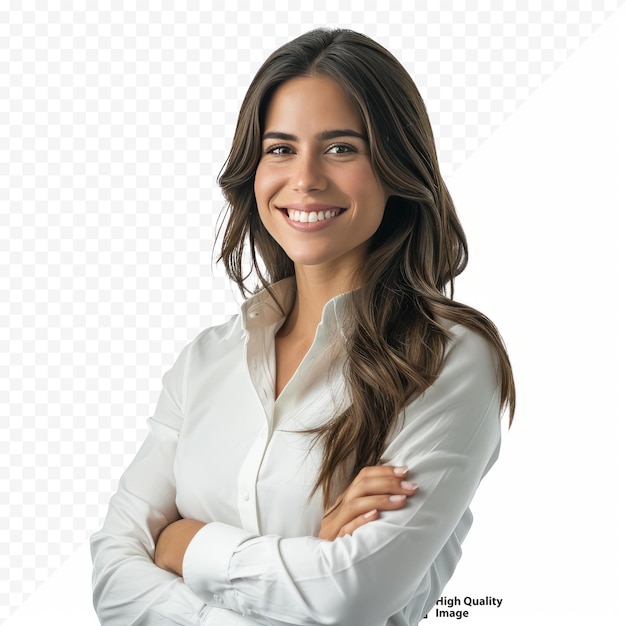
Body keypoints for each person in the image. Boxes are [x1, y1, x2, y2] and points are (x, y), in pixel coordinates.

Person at [91, 28, 515, 625]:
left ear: (396, 166)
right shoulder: (206, 360)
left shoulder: (448, 359)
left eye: (342, 148)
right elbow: (113, 573)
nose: (306, 178)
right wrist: (307, 557)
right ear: (254, 169)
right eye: (280, 148)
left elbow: (351, 595)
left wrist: (183, 545)